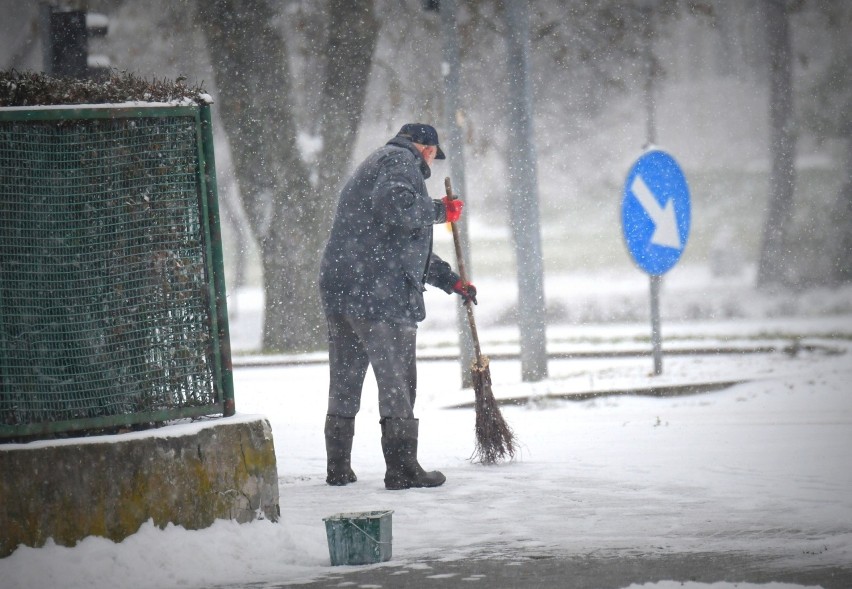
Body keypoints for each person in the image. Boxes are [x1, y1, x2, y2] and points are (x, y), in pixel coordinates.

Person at [319, 123, 477, 490]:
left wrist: (451, 281)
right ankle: (402, 469)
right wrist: (440, 211)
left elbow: (400, 246)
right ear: (426, 149)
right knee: (397, 383)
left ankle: (338, 467)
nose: (432, 164)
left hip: (344, 288)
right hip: (379, 293)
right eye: (434, 156)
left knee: (345, 379)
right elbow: (399, 207)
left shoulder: (379, 163)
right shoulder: (400, 161)